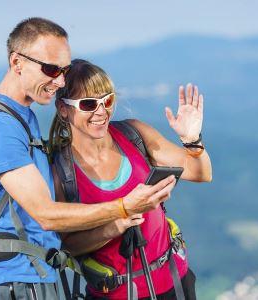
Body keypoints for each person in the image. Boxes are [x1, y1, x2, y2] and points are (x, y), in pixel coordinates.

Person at [0, 18, 176, 300]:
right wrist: (124, 207)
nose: (60, 81)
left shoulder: (19, 118)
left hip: (31, 280)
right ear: (17, 63)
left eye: (63, 70)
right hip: (14, 283)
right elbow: (47, 215)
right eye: (51, 69)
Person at [50, 59, 212, 299]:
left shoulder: (134, 134)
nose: (101, 111)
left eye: (107, 101)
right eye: (88, 104)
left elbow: (201, 173)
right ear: (63, 108)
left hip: (175, 283)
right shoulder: (60, 172)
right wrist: (117, 222)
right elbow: (67, 246)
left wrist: (192, 140)